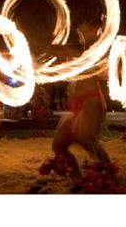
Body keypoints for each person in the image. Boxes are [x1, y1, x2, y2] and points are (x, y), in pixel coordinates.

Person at [47, 20, 110, 178]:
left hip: (92, 101)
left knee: (85, 138)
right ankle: (76, 177)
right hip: (75, 103)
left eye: (87, 28)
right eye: (81, 29)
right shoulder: (76, 50)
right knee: (59, 144)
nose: (82, 31)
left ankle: (109, 173)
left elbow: (104, 70)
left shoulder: (98, 52)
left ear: (98, 31)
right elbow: (56, 51)